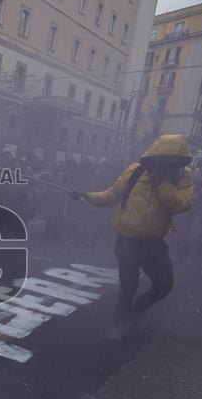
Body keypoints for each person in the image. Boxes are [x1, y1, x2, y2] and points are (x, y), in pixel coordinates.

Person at [71, 135, 193, 340]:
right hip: (127, 241)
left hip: (154, 243)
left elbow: (182, 205)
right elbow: (110, 196)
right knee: (129, 284)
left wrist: (161, 185)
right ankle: (120, 323)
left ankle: (134, 312)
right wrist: (86, 196)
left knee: (164, 284)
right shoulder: (135, 170)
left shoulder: (183, 175)